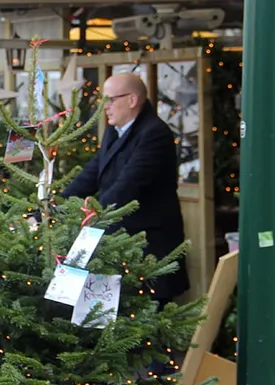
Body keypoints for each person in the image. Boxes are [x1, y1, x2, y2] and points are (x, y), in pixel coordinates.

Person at [61, 73, 189, 304]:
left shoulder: (154, 133)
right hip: (118, 241)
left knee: (149, 316)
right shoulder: (114, 130)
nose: (105, 107)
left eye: (110, 100)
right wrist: (57, 205)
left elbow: (127, 187)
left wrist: (89, 217)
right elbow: (91, 174)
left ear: (132, 100)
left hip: (148, 248)